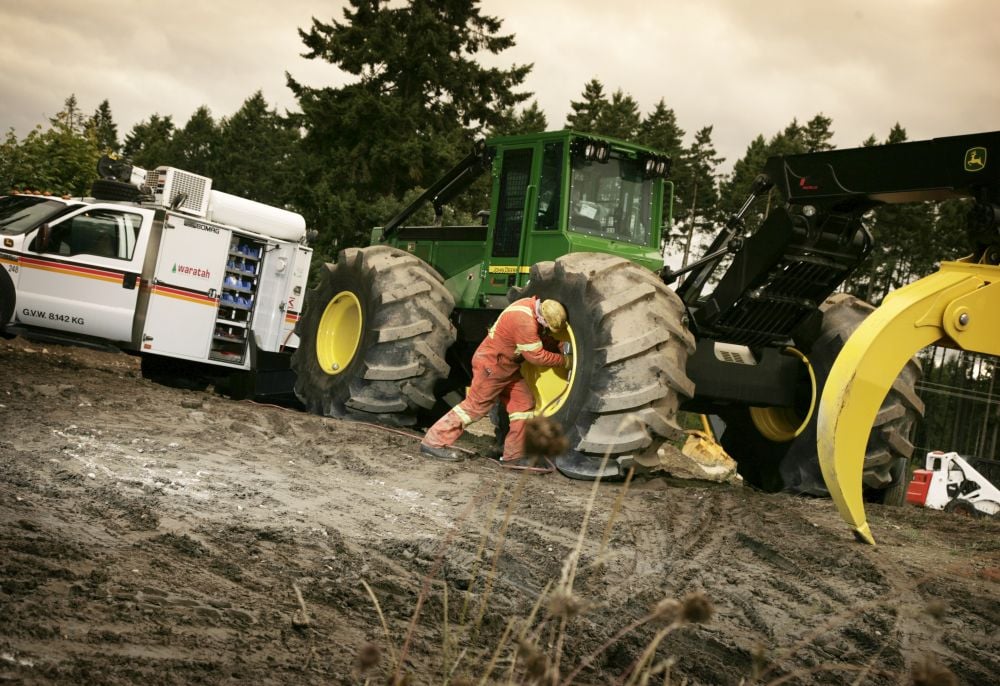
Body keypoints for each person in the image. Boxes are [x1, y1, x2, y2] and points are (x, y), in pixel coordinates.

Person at [420, 297, 571, 472]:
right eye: (546, 326)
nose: (546, 329)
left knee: (523, 404)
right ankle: (433, 442)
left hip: (508, 367)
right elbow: (536, 356)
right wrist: (565, 360)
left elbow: (541, 337)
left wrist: (559, 344)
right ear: (542, 318)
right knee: (475, 407)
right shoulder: (523, 320)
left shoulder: (532, 308)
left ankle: (513, 457)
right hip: (492, 366)